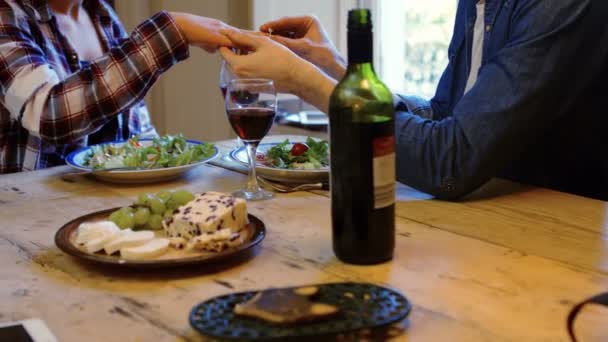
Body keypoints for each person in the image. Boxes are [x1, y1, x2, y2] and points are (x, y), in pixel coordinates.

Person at [220, 0, 608, 200]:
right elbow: (447, 115)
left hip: (552, 246)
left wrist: (306, 83)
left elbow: (449, 161)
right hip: (486, 221)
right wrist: (337, 70)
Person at [0, 0, 234, 173]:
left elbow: (137, 130)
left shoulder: (101, 14)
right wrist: (172, 31)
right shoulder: (6, 16)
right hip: (25, 223)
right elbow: (50, 114)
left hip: (102, 214)